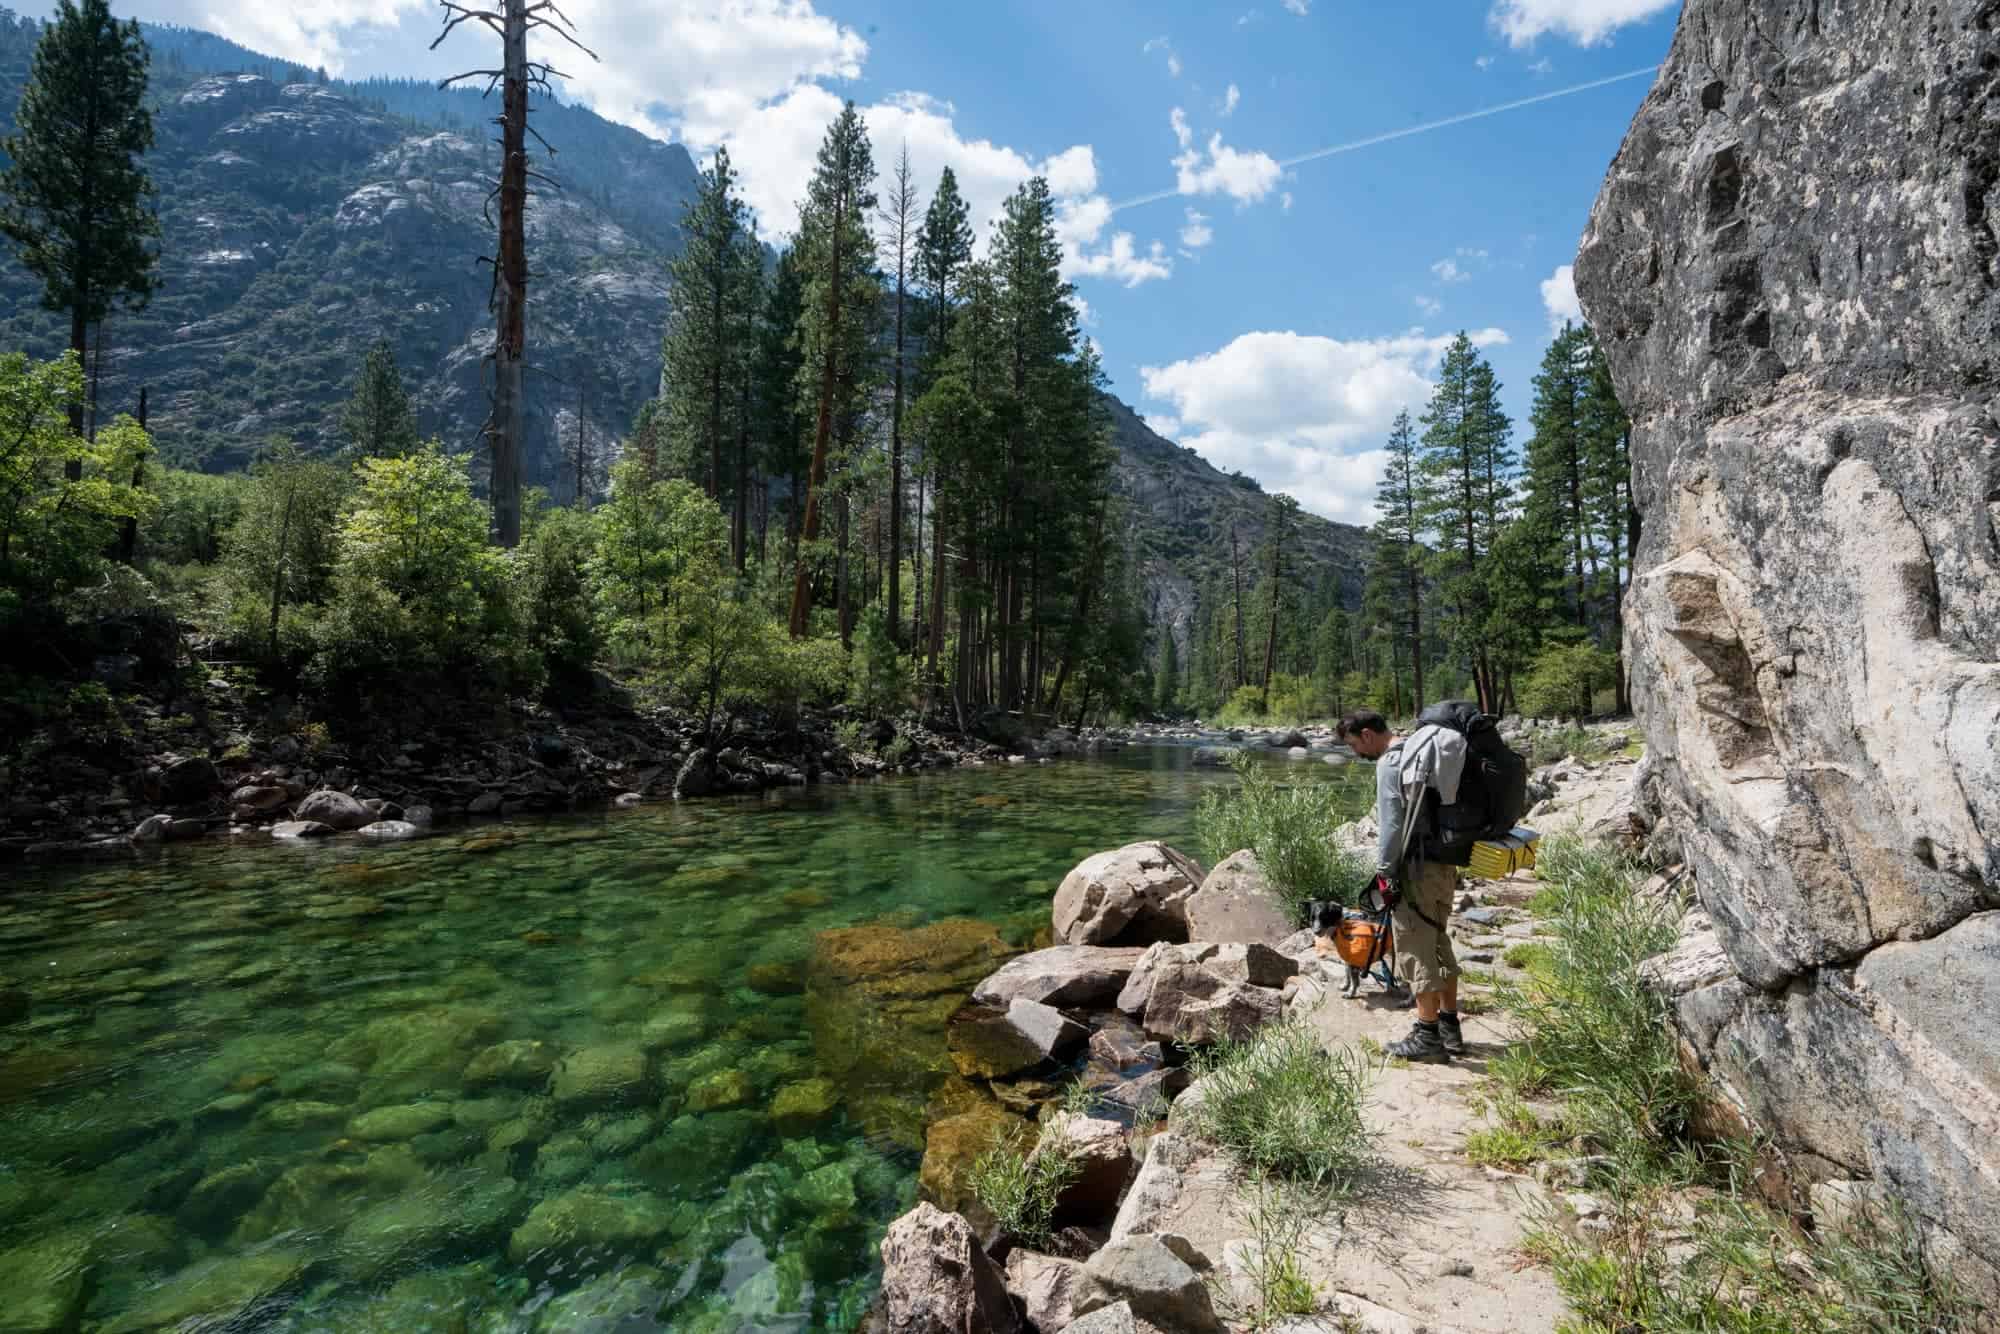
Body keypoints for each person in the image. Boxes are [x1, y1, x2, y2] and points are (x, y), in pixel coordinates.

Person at [1338, 710, 1462, 1063]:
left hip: (1415, 871)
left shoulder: (1391, 763)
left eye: (1354, 746)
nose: (1356, 754)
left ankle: (1427, 1036)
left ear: (1367, 735)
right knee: (1439, 942)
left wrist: (1384, 874)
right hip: (1444, 864)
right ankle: (1449, 1027)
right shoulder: (1424, 754)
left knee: (1415, 949)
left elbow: (1392, 827)